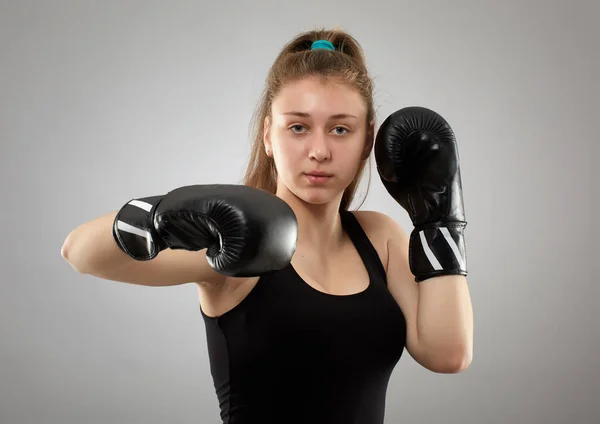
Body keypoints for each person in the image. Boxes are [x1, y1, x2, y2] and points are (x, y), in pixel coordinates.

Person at [61, 28, 474, 424]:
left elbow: (447, 354)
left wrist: (439, 220)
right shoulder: (241, 244)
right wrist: (163, 214)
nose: (319, 151)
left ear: (367, 141)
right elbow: (78, 252)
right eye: (298, 127)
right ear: (268, 136)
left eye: (340, 129)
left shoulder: (380, 238)